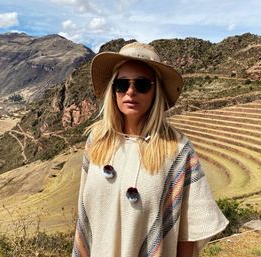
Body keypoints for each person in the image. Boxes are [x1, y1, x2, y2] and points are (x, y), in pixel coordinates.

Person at [72, 42, 228, 257]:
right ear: (113, 90)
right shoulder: (96, 141)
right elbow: (84, 216)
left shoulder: (178, 151)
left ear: (156, 91)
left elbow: (188, 233)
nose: (130, 92)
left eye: (142, 84)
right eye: (122, 84)